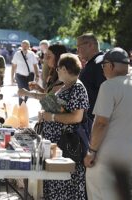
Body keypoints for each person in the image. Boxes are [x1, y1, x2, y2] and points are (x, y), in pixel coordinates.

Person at [84, 47, 132, 200]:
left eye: (104, 65)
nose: (102, 69)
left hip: (105, 155)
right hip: (129, 154)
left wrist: (92, 151)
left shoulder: (108, 86)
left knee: (98, 195)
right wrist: (130, 146)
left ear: (112, 65)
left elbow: (101, 123)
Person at [39, 53, 89, 199]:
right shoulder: (66, 86)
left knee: (66, 188)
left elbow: (76, 117)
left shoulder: (77, 88)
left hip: (67, 147)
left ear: (65, 69)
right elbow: (60, 107)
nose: (57, 71)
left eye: (58, 68)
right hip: (58, 147)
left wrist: (52, 116)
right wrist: (46, 111)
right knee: (55, 187)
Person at [77, 33, 106, 121]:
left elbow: (105, 95)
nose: (77, 50)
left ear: (90, 45)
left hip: (95, 121)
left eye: (79, 46)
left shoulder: (99, 63)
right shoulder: (94, 63)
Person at [11, 40, 40, 105]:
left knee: (28, 91)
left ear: (29, 46)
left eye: (26, 45)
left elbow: (35, 65)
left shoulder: (32, 54)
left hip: (30, 76)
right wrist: (12, 77)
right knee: (22, 90)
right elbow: (13, 66)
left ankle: (24, 104)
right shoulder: (17, 54)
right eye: (23, 45)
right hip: (20, 76)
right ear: (21, 46)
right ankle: (21, 105)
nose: (24, 46)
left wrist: (37, 75)